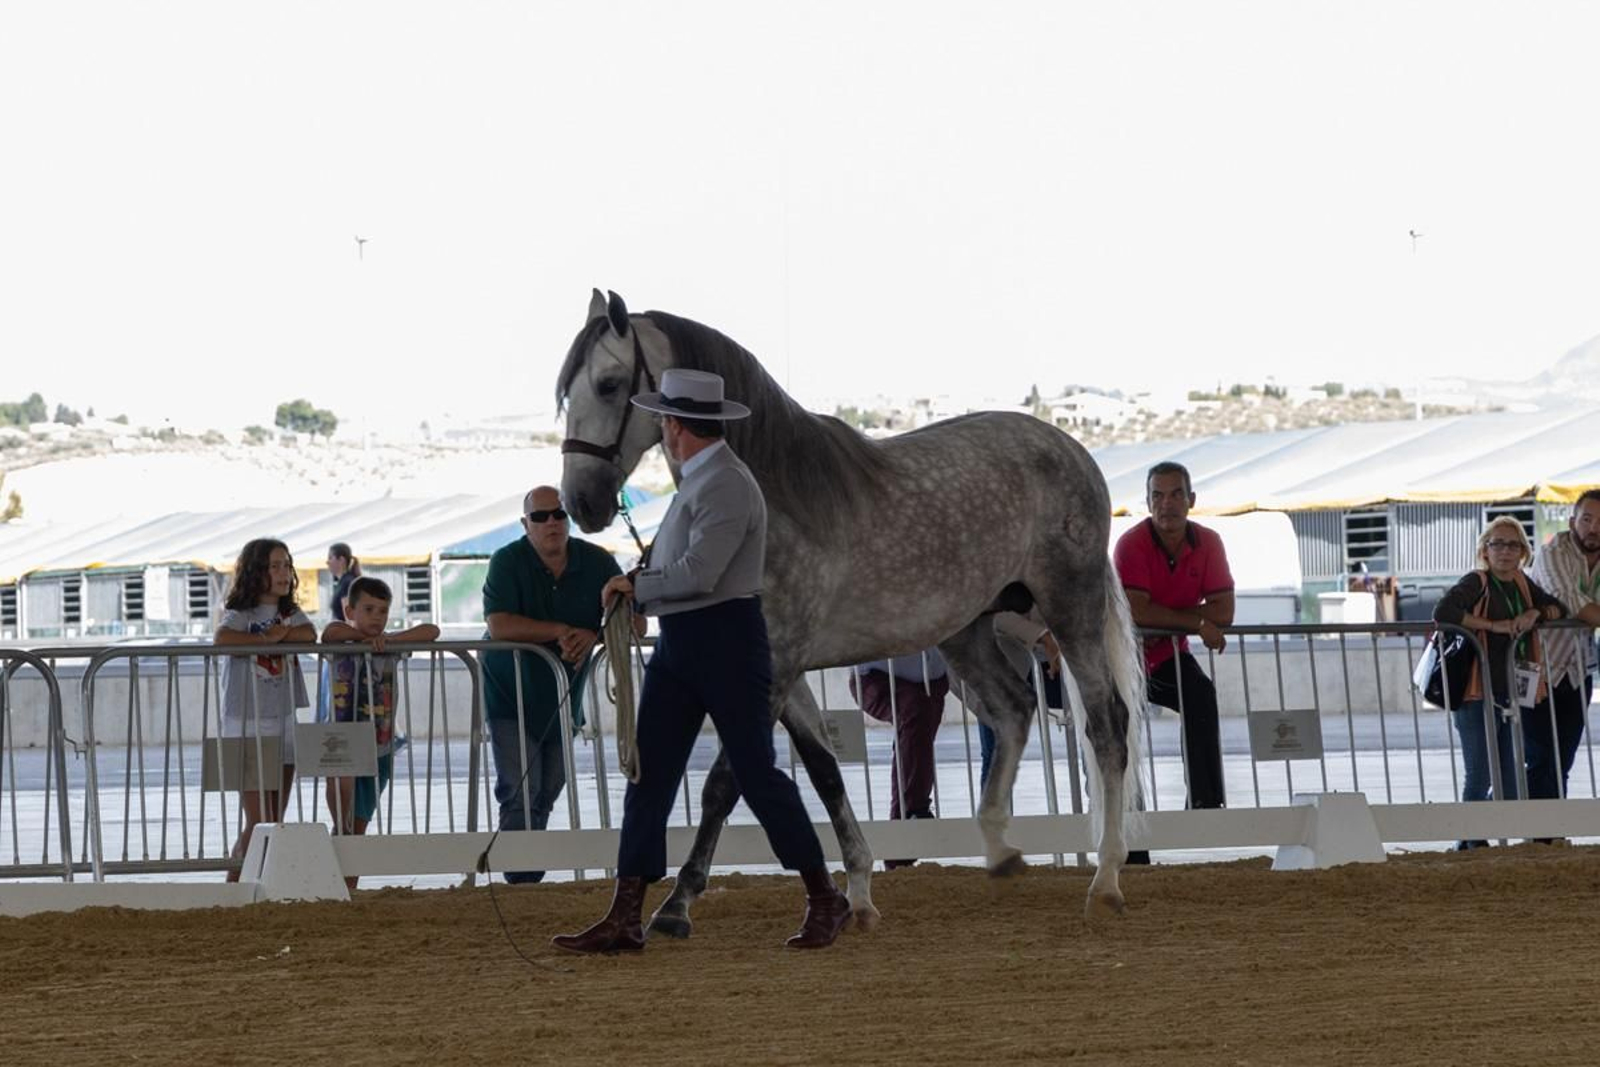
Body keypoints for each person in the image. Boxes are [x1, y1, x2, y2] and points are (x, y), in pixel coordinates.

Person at [552, 368, 849, 954]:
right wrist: (641, 583)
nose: (660, 427)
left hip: (724, 641)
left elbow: (701, 573)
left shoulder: (727, 485)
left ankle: (824, 896)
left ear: (678, 425)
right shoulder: (701, 480)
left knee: (756, 773)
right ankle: (626, 912)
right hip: (687, 642)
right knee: (650, 774)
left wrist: (638, 589)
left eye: (664, 418)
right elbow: (685, 566)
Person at [482, 484, 624, 883]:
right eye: (540, 516)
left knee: (550, 785)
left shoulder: (598, 561)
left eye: (558, 514)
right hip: (509, 695)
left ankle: (527, 864)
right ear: (525, 523)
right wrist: (562, 629)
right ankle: (520, 875)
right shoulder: (506, 561)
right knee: (518, 788)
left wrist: (595, 634)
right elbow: (499, 624)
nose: (551, 523)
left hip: (565, 698)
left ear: (569, 520)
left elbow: (635, 619)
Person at [1434, 516, 1565, 845]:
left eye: (1513, 545)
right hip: (1475, 689)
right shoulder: (1476, 581)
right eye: (1497, 544)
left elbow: (1557, 608)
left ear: (1523, 551)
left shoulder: (1522, 583)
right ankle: (1470, 841)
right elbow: (1444, 611)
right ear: (1485, 550)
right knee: (1478, 772)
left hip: (1509, 689)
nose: (1505, 551)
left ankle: (1486, 832)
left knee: (1508, 774)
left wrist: (1534, 613)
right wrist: (1493, 626)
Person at [1113, 461, 1231, 815]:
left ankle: (1205, 806)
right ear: (1148, 504)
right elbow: (1136, 612)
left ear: (1191, 499)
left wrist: (1168, 619)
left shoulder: (1209, 542)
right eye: (1158, 496)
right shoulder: (1130, 543)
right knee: (1120, 730)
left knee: (1201, 695)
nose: (1167, 504)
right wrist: (1196, 622)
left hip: (1165, 657)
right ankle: (1129, 828)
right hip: (1120, 658)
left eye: (1176, 494)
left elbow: (1224, 612)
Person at [321, 575, 439, 889]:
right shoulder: (342, 639)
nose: (376, 617)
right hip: (341, 739)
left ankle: (347, 887)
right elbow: (329, 632)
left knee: (359, 826)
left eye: (383, 611)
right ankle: (337, 855)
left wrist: (393, 639)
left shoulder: (388, 644)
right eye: (369, 609)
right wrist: (363, 641)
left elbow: (432, 631)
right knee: (342, 806)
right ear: (350, 611)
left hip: (380, 744)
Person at [214, 538, 317, 881]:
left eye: (286, 565)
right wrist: (266, 641)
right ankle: (234, 886)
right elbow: (223, 639)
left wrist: (279, 637)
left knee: (272, 818)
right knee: (258, 820)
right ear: (256, 571)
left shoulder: (289, 614)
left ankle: (253, 884)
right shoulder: (241, 613)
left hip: (283, 717)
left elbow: (309, 634)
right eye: (274, 566)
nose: (283, 573)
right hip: (246, 721)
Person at [1527, 490, 1600, 801]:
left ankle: (1549, 836)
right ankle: (1524, 830)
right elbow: (1575, 605)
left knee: (1563, 760)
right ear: (1572, 521)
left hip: (1577, 671)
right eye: (1587, 519)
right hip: (1537, 670)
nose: (1594, 528)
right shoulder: (1553, 552)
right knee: (1540, 758)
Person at [850, 650, 948, 868]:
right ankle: (914, 811)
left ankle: (899, 853)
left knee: (912, 749)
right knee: (914, 726)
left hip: (932, 677)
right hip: (878, 675)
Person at [316, 542, 360, 723]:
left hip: (342, 647)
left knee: (334, 696)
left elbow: (350, 619)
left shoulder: (348, 584)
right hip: (339, 644)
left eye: (330, 558)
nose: (327, 563)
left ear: (341, 559)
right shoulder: (344, 582)